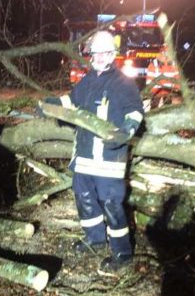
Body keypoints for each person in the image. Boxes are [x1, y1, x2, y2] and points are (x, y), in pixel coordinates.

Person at [41, 30, 144, 272]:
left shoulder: (123, 83)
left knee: (111, 204)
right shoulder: (87, 80)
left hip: (109, 158)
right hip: (85, 156)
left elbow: (135, 111)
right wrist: (51, 105)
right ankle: (95, 239)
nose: (99, 57)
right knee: (84, 197)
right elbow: (71, 102)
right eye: (96, 53)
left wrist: (127, 131)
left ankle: (122, 253)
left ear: (112, 55)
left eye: (105, 53)